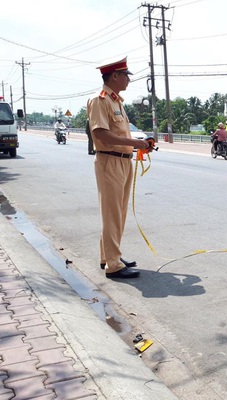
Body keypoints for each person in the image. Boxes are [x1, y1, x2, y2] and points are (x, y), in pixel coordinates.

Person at [87, 57, 150, 279]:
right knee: (112, 213)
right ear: (114, 76)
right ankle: (113, 266)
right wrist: (135, 144)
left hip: (123, 160)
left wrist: (138, 146)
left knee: (119, 213)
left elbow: (121, 133)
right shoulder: (100, 100)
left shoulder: (117, 102)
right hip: (109, 160)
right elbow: (100, 133)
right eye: (126, 76)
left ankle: (109, 257)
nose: (128, 80)